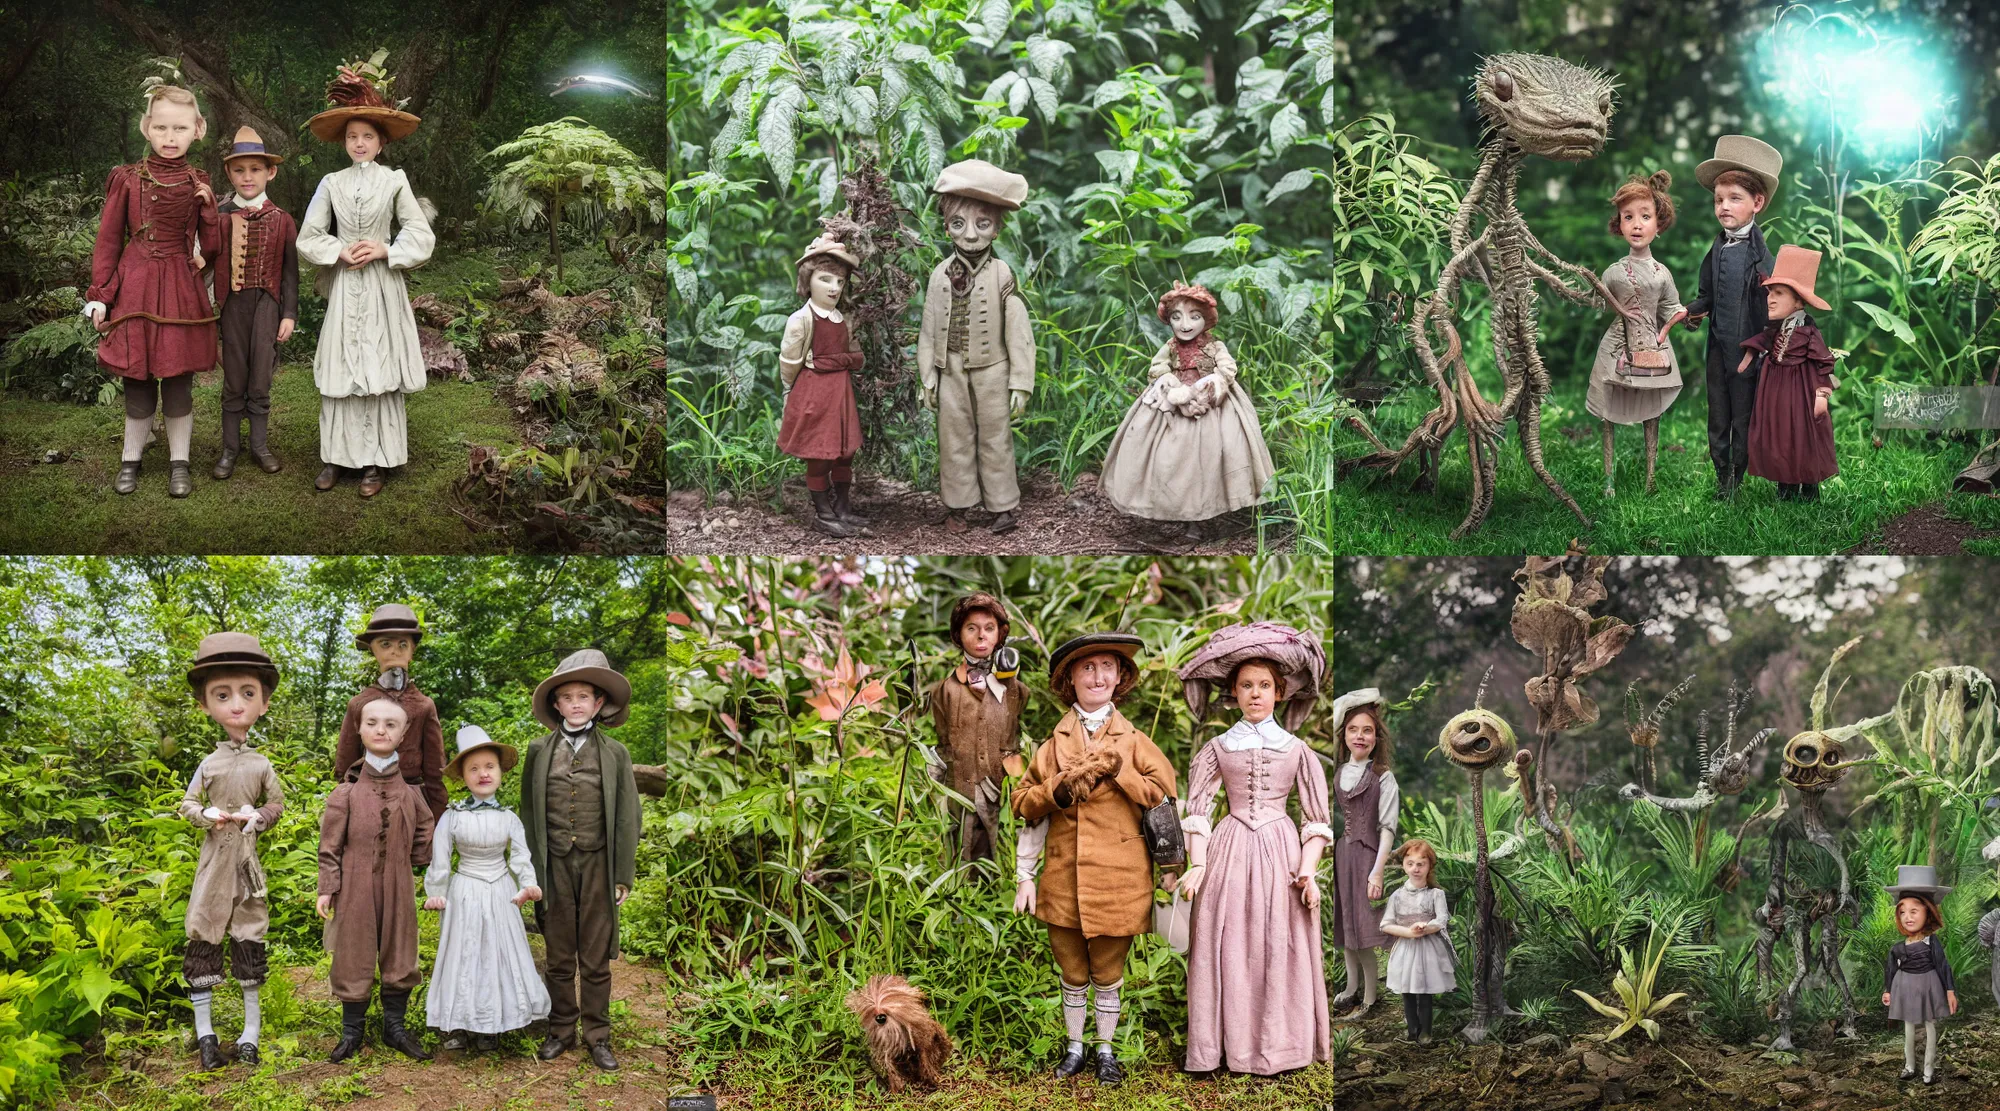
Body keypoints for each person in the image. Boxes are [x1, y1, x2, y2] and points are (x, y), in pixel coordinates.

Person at [1011, 632, 1177, 1085]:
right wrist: (1059, 788)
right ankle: (1074, 1047)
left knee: (1107, 971)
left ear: (1120, 677)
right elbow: (1024, 804)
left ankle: (1105, 1050)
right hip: (1062, 878)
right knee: (1071, 970)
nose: (1098, 676)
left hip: (1121, 878)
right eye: (1087, 668)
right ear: (1070, 680)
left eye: (1107, 667)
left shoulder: (1135, 741)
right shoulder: (1053, 745)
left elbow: (1163, 796)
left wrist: (1120, 770)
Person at [1175, 622, 1331, 1074]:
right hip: (1230, 849)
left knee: (1278, 942)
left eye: (1265, 685)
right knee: (1228, 943)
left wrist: (1307, 872)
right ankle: (1223, 1048)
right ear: (1234, 693)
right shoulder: (1218, 748)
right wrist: (1197, 864)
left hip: (1281, 852)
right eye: (1247, 685)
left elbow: (1315, 820)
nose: (1256, 693)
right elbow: (1200, 811)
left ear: (1280, 692)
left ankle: (1280, 1045)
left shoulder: (1297, 750)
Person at [298, 57, 434, 498]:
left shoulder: (394, 181)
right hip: (344, 286)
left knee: (376, 366)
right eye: (353, 136)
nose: (359, 143)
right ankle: (336, 458)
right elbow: (308, 236)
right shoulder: (330, 183)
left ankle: (375, 462)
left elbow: (419, 232)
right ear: (344, 141)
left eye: (368, 136)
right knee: (342, 367)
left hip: (380, 285)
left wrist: (385, 249)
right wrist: (338, 250)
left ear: (380, 142)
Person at [83, 83, 220, 498]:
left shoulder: (201, 181)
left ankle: (180, 464)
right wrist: (100, 295)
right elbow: (108, 241)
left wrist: (211, 215)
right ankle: (131, 460)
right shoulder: (127, 179)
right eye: (161, 128)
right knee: (137, 377)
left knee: (178, 377)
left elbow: (210, 252)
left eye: (179, 128)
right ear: (147, 128)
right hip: (136, 287)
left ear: (198, 129)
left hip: (180, 287)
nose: (170, 137)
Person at [519, 650, 642, 1071]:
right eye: (567, 696)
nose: (575, 703)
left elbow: (628, 816)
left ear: (599, 703)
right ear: (556, 704)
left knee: (594, 955)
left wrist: (622, 874)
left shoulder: (615, 753)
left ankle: (598, 1035)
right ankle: (560, 1030)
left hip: (598, 863)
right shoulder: (538, 751)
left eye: (584, 696)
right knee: (558, 954)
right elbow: (528, 815)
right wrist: (529, 870)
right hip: (553, 865)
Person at [178, 632, 286, 1070]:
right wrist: (206, 814)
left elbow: (276, 804)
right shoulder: (209, 764)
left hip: (247, 866)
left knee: (250, 935)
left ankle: (251, 1034)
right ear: (206, 705)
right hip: (212, 866)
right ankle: (206, 1034)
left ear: (263, 703)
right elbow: (186, 805)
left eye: (247, 694)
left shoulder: (261, 764)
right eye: (223, 695)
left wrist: (256, 817)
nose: (237, 705)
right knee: (203, 933)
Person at [1099, 282, 1274, 539]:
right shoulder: (1170, 347)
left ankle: (1206, 514)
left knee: (1211, 457)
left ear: (1207, 320)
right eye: (1176, 317)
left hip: (1211, 407)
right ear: (1168, 320)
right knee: (1166, 457)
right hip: (1172, 402)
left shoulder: (1215, 347)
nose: (1185, 324)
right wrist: (1170, 384)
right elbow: (1157, 367)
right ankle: (1168, 509)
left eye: (1195, 317)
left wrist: (1213, 382)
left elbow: (1227, 368)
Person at [916, 159, 1035, 534]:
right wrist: (928, 376)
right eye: (958, 224)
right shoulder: (939, 275)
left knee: (996, 437)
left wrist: (1020, 382)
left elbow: (1018, 331)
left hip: (992, 371)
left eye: (982, 225)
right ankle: (960, 505)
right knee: (953, 438)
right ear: (946, 226)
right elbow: (928, 328)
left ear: (997, 229)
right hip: (950, 368)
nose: (970, 235)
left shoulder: (1002, 274)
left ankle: (1002, 506)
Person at [318, 695, 436, 1063]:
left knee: (401, 947)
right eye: (372, 723)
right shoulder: (347, 792)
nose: (380, 729)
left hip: (398, 882)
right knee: (352, 951)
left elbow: (425, 827)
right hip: (354, 884)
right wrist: (328, 887)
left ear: (403, 735)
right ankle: (352, 1031)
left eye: (390, 724)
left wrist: (415, 862)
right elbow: (330, 845)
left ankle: (394, 1028)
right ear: (359, 728)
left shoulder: (412, 792)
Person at [1664, 135, 1782, 500]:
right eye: (1718, 199)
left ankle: (1739, 474)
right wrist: (1690, 311)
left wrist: (1761, 348)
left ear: (1757, 203)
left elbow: (1776, 309)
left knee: (1744, 415)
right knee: (1718, 411)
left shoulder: (1764, 259)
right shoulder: (1716, 247)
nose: (1724, 207)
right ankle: (1722, 476)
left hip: (1749, 350)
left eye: (1735, 198)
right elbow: (1708, 294)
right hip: (1718, 347)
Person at [423, 725, 551, 1053]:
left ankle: (491, 1027)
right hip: (464, 889)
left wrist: (528, 885)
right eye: (474, 768)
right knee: (463, 954)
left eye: (489, 767)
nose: (483, 774)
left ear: (500, 773)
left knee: (496, 954)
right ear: (463, 776)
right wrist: (436, 891)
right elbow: (440, 858)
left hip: (499, 890)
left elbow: (521, 857)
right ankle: (459, 1024)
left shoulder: (509, 818)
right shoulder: (453, 816)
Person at [1587, 171, 1684, 498]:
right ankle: (1609, 479)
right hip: (1617, 345)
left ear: (1659, 224)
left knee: (1652, 410)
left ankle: (1650, 477)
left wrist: (1678, 317)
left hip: (1654, 344)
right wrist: (1590, 293)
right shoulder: (1613, 271)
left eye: (1646, 217)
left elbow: (1671, 306)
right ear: (1619, 224)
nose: (1637, 224)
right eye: (1629, 217)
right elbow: (1599, 302)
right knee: (1610, 411)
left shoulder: (1661, 273)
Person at [210, 126, 298, 479]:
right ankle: (230, 449)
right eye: (240, 170)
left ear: (270, 172)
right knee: (234, 378)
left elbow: (291, 273)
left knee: (261, 378)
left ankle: (259, 446)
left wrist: (288, 314)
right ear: (229, 173)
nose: (248, 177)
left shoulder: (283, 220)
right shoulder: (219, 216)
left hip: (267, 307)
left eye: (256, 169)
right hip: (232, 308)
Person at [778, 235, 869, 535]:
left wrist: (849, 360)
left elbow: (855, 352)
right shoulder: (800, 320)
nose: (833, 288)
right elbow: (790, 361)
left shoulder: (844, 318)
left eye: (840, 282)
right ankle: (823, 512)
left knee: (845, 450)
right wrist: (790, 395)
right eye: (825, 279)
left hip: (840, 393)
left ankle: (842, 507)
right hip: (814, 392)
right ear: (808, 281)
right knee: (821, 452)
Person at [929, 592, 1028, 865]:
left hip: (1004, 785)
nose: (981, 636)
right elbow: (939, 741)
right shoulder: (945, 691)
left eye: (989, 628)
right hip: (960, 785)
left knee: (1006, 853)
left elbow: (1022, 734)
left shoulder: (1018, 690)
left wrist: (1018, 780)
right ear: (959, 635)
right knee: (959, 851)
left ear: (1000, 634)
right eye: (971, 628)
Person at [1740, 246, 1838, 501]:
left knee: (1802, 435)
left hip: (1800, 389)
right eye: (1770, 292)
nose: (1770, 299)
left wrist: (1821, 395)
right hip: (1775, 389)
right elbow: (1764, 339)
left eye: (1779, 293)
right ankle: (1785, 485)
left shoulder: (1807, 330)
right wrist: (1750, 353)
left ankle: (1809, 487)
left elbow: (1822, 361)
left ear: (1798, 301)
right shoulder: (1775, 327)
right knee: (1780, 435)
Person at [333, 604, 447, 820]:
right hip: (365, 803)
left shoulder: (423, 705)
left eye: (403, 644)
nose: (395, 650)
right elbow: (344, 768)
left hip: (411, 805)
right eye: (385, 644)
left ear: (412, 651)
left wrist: (438, 823)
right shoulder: (359, 704)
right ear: (373, 649)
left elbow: (435, 771)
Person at [1326, 688, 1396, 1019]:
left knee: (1365, 931)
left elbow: (1387, 828)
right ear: (1345, 735)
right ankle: (1350, 988)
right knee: (1347, 926)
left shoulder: (1383, 776)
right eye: (1354, 729)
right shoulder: (1340, 772)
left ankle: (1370, 999)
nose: (1360, 736)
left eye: (1367, 730)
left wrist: (1378, 870)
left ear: (1376, 737)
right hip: (1344, 854)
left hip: (1368, 855)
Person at [1882, 865, 1957, 1086]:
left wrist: (1950, 990)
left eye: (1914, 911)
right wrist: (1888, 990)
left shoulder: (1931, 941)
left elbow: (1943, 965)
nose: (1907, 917)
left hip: (1928, 984)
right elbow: (1891, 969)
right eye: (1902, 912)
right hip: (1904, 986)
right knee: (1908, 1027)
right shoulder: (1898, 947)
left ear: (1928, 911)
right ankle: (1909, 1066)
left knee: (1930, 1025)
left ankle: (1928, 1070)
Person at [1380, 839, 1454, 1045]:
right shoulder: (1397, 896)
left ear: (1429, 865)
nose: (1415, 869)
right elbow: (1386, 924)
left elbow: (1442, 919)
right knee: (1408, 990)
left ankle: (1426, 1032)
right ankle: (1412, 1030)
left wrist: (1426, 927)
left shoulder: (1435, 894)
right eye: (1410, 863)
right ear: (1403, 865)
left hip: (1428, 949)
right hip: (1406, 948)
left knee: (1425, 991)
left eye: (1421, 864)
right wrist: (1407, 932)